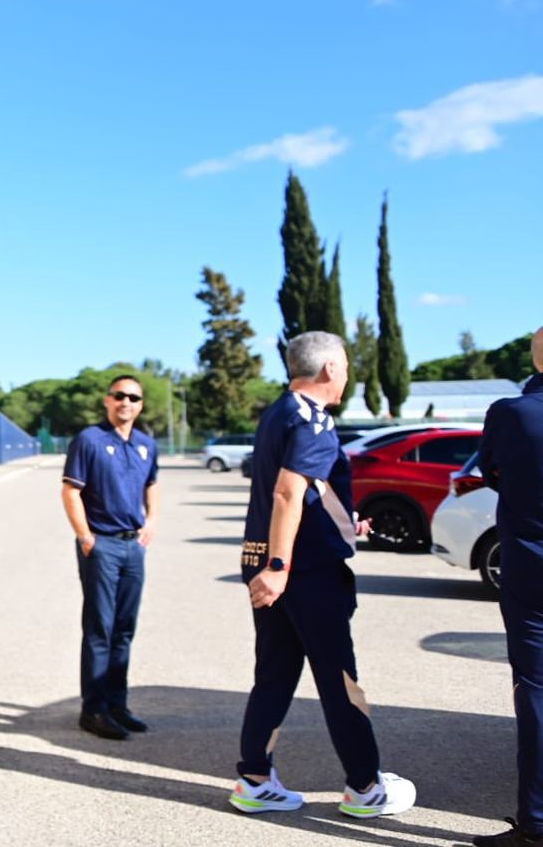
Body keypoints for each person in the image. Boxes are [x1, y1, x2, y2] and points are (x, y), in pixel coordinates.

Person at [229, 330, 415, 819]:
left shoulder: (279, 412)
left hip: (277, 563)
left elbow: (304, 494)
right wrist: (278, 566)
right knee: (339, 678)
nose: (348, 373)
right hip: (301, 571)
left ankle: (254, 779)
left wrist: (342, 524)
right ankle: (365, 786)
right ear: (330, 368)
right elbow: (287, 493)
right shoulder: (313, 421)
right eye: (347, 364)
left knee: (274, 675)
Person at [471, 329, 543, 846]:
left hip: (532, 574)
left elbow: (492, 471)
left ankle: (536, 823)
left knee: (536, 692)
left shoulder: (512, 412)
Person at [60, 374, 159, 740]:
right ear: (107, 400)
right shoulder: (89, 440)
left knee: (124, 628)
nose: (126, 402)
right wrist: (85, 536)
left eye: (133, 397)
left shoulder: (147, 444)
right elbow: (70, 491)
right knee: (100, 628)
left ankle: (118, 703)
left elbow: (153, 484)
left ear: (140, 404)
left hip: (134, 546)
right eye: (119, 396)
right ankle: (94, 710)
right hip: (101, 545)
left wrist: (152, 521)